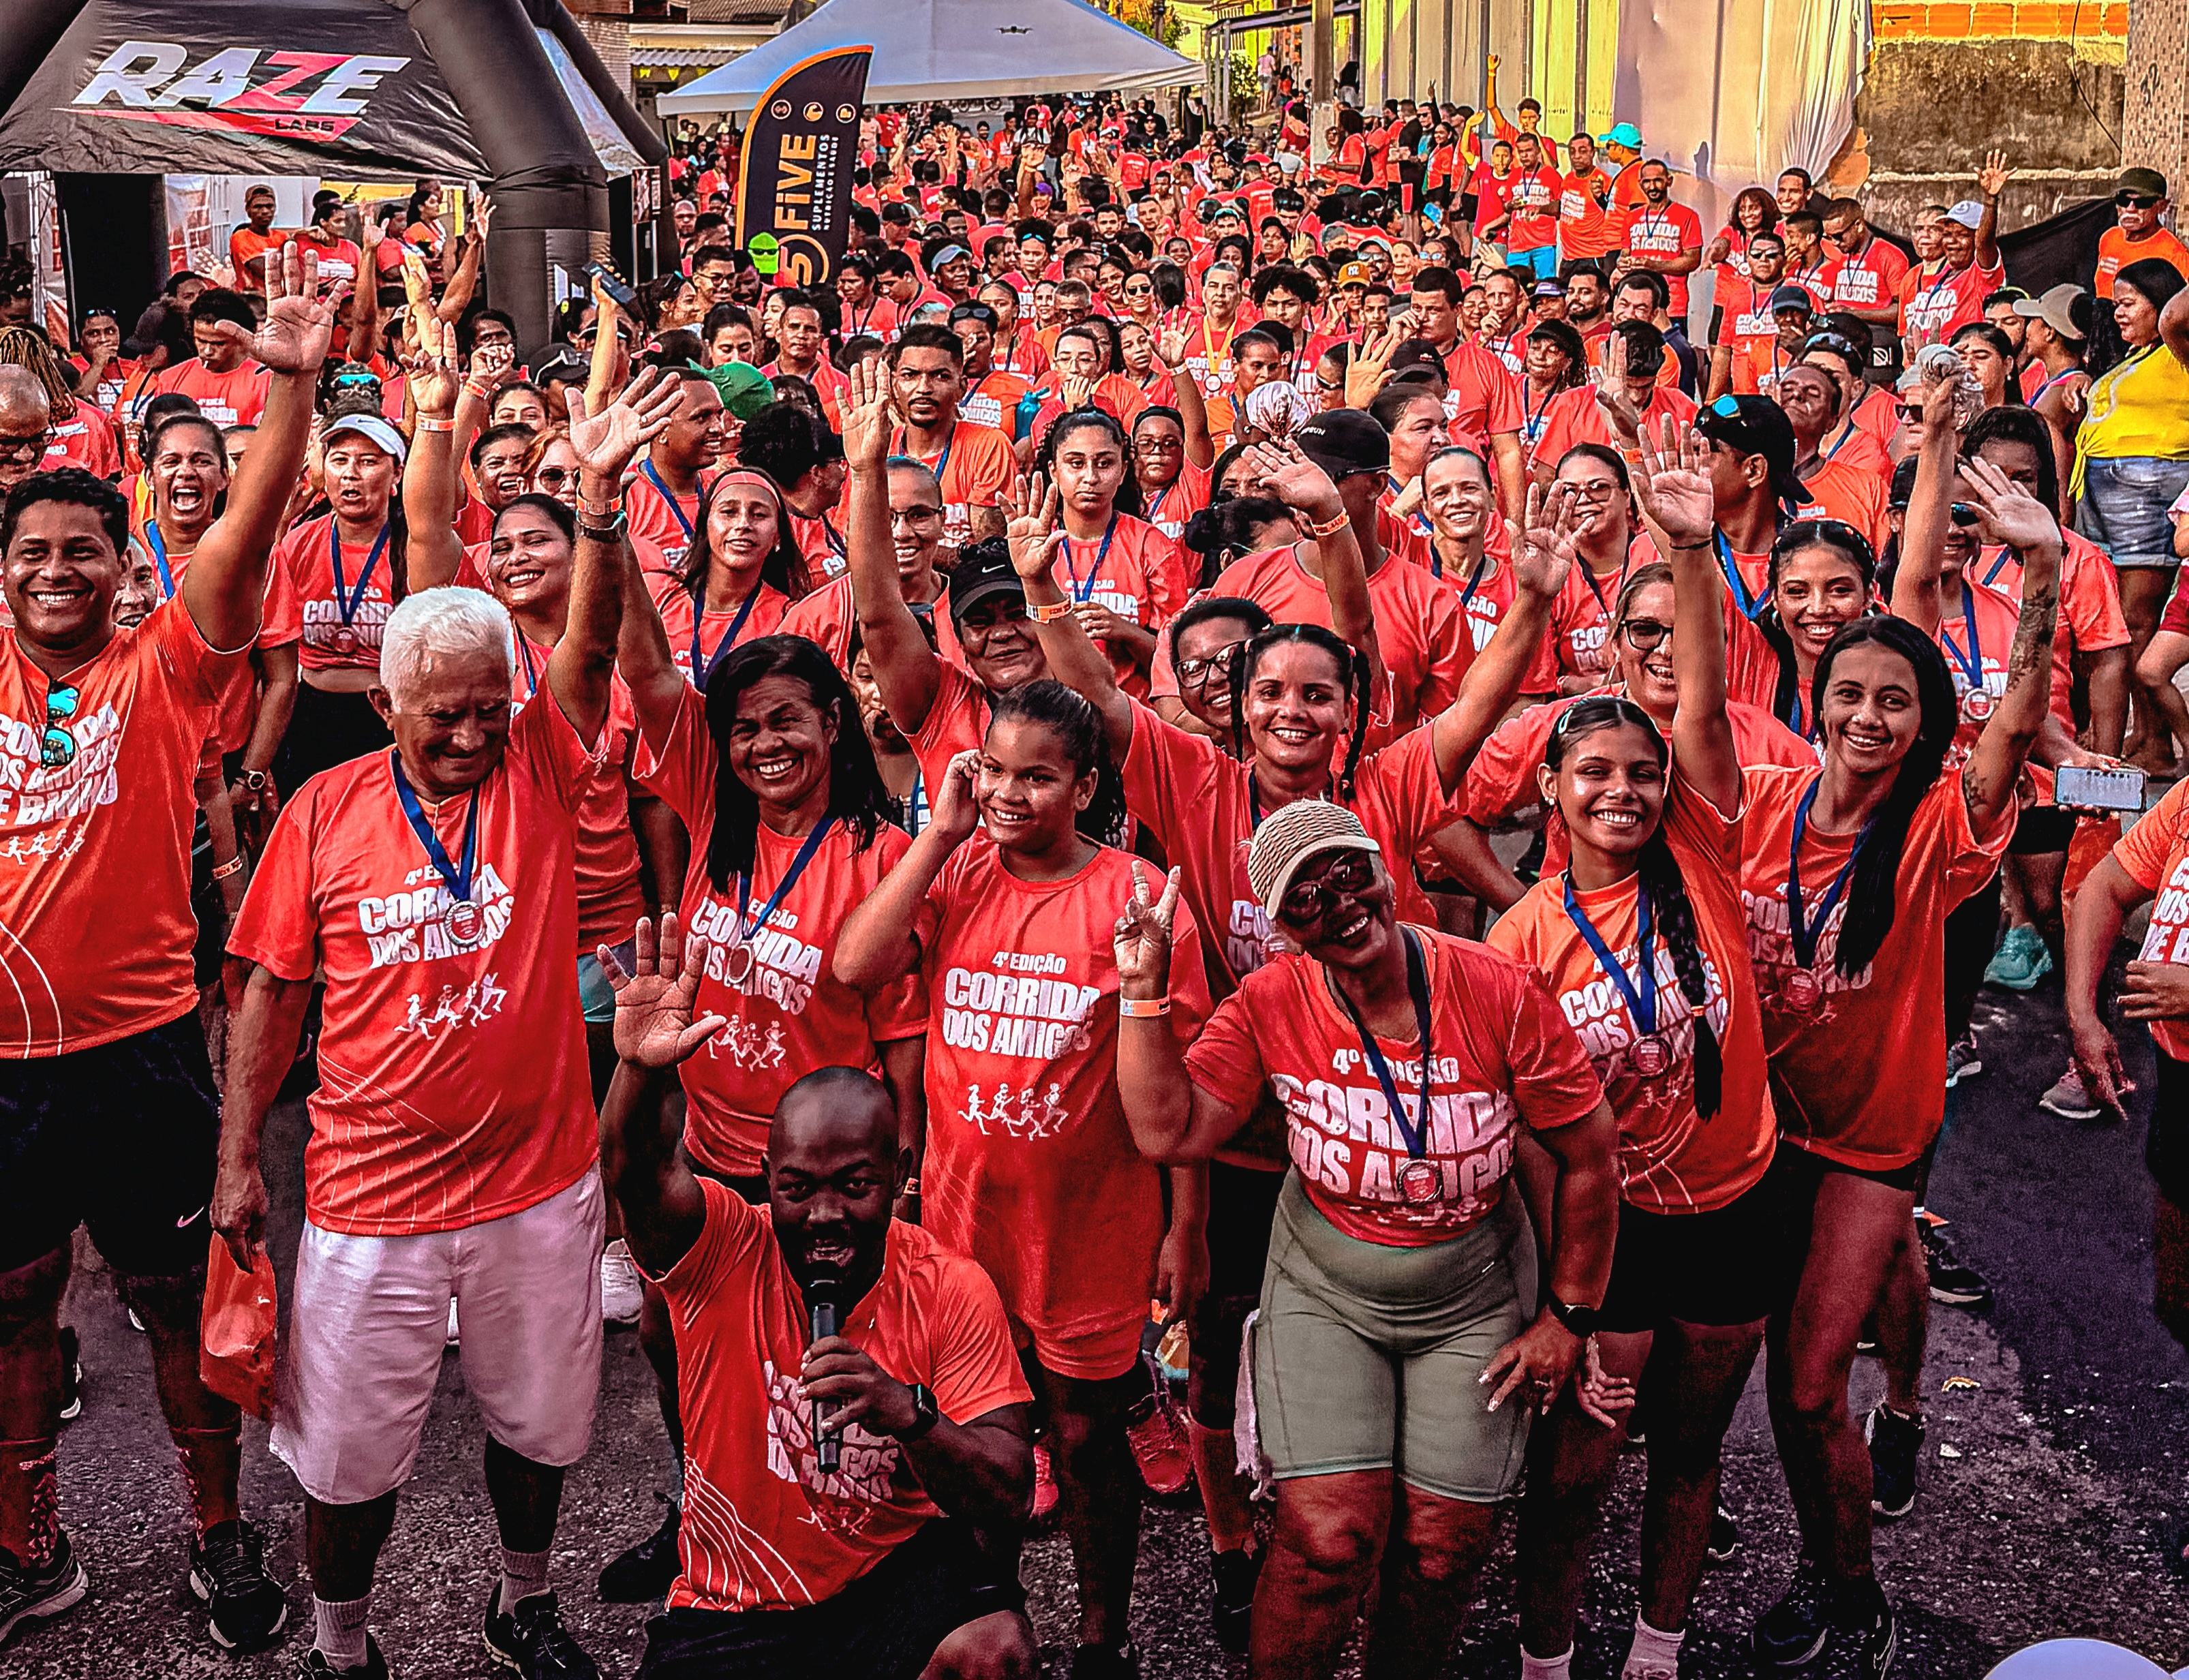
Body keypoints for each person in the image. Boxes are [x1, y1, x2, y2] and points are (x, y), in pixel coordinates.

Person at [213, 370, 675, 1680]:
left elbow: (580, 660)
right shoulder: (326, 813)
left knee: (542, 1431)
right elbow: (270, 993)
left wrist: (594, 502)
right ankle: (341, 1641)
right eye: (443, 713)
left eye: (488, 708)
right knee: (349, 1456)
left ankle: (521, 1603)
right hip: (369, 1200)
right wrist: (242, 1156)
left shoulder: (536, 762)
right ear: (385, 707)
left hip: (535, 1184)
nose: (472, 732)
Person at [0, 241, 328, 1660]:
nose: (58, 569)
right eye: (31, 553)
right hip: (5, 1066)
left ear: (123, 570)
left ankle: (217, 1531)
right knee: (12, 1305)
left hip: (139, 1051)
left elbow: (242, 540)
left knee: (168, 1301)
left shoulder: (167, 665)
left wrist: (295, 388)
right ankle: (31, 1546)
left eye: (83, 551)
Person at [1109, 787, 1619, 1680]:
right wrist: (1144, 994)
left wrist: (1569, 1319)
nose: (1340, 903)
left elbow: (1588, 1157)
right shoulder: (1272, 1001)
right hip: (1327, 1288)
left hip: (1471, 1290)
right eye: (1307, 897)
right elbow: (1169, 1128)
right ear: (1284, 930)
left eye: (1352, 873)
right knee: (1327, 1541)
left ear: (1388, 871)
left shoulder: (1496, 987)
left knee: (1441, 1546)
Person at [1739, 430, 2060, 1679]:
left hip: (1870, 1140)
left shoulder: (1940, 826)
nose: (1867, 715)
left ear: (1922, 724)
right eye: (1850, 695)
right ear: (1815, 703)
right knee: (1778, 1381)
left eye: (1894, 700)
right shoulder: (1765, 808)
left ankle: (1851, 1589)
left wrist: (2035, 582)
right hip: (1765, 1134)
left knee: (1815, 1385)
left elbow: (2015, 723)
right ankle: (1830, 1548)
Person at [834, 681, 1214, 1680]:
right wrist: (936, 835)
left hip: (1089, 1224)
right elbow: (855, 964)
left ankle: (1102, 1630)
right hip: (968, 1225)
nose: (1010, 792)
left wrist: (1188, 1226)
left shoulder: (1135, 892)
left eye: (1038, 776)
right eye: (994, 769)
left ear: (1086, 786)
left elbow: (1179, 1091)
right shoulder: (960, 872)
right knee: (978, 1433)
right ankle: (988, 1605)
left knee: (1087, 1436)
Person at [1497, 421, 1778, 1680]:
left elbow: (1705, 704)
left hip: (1731, 1207)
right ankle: (1548, 1658)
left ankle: (1658, 1651)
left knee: (1690, 1450)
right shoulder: (1521, 935)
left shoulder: (1703, 855)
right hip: (1602, 1239)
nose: (1623, 790)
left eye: (1641, 774)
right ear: (1551, 789)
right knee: (1574, 1466)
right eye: (1593, 772)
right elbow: (1516, 1131)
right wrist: (1556, 1296)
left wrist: (1685, 544)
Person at [596, 914, 1037, 1678]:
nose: (825, 1212)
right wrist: (638, 1069)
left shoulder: (948, 1283)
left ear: (899, 1171)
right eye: (798, 1188)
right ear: (767, 1179)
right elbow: (633, 1170)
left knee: (993, 1651)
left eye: (854, 1185)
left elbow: (1008, 1490)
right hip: (733, 1603)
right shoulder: (721, 1247)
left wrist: (909, 1413)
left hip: (885, 1578)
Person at [2075, 259, 2189, 773]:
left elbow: (2178, 320)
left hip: (2146, 498)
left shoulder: (2180, 351)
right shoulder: (2136, 358)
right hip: (2105, 500)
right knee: (2116, 625)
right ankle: (2140, 736)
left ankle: (2155, 742)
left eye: (2129, 302)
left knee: (2138, 624)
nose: (2118, 312)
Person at [2095, 167, 2189, 301]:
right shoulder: (2109, 238)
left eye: (2142, 202)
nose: (2130, 209)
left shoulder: (2173, 253)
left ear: (2161, 206)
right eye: (2124, 200)